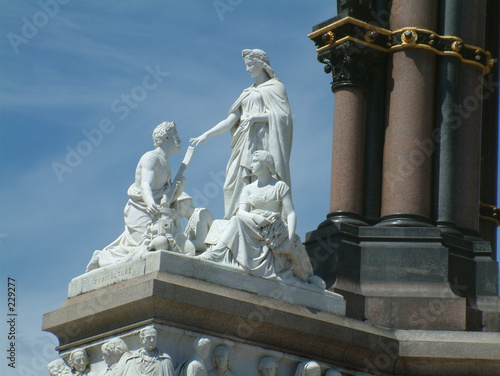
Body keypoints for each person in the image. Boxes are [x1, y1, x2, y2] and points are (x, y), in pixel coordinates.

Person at [191, 49, 293, 220]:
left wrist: (256, 117)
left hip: (264, 141)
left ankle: (259, 217)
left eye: (250, 65)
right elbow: (230, 121)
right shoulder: (246, 92)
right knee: (231, 183)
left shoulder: (276, 88)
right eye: (246, 65)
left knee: (260, 178)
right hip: (243, 142)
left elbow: (284, 117)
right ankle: (235, 218)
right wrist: (207, 134)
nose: (248, 69)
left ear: (261, 64)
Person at [86, 122, 188, 272]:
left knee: (158, 246)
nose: (179, 140)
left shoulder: (167, 165)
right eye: (176, 135)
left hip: (157, 212)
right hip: (141, 209)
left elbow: (166, 196)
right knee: (142, 248)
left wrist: (178, 189)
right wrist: (150, 202)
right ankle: (103, 257)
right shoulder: (151, 158)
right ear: (166, 137)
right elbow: (146, 184)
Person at [201, 150, 311, 282]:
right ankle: (221, 255)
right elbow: (241, 212)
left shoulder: (279, 186)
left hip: (272, 226)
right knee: (218, 224)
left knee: (236, 221)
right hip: (254, 221)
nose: (250, 164)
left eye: (254, 161)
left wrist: (290, 238)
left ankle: (217, 254)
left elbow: (291, 213)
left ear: (265, 164)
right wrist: (255, 217)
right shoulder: (248, 189)